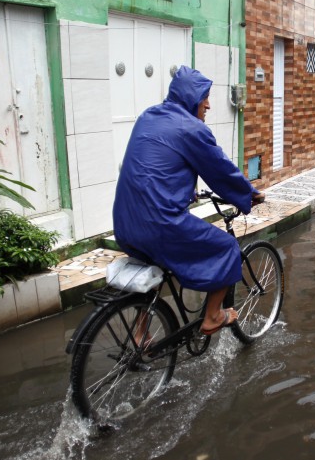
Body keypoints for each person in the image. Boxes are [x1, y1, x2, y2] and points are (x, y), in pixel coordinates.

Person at [113, 65, 264, 337]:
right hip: (158, 225)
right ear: (191, 97)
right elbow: (219, 169)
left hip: (124, 224)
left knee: (155, 265)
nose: (208, 104)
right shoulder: (191, 128)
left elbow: (158, 169)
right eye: (205, 96)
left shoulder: (148, 116)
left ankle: (140, 333)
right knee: (227, 247)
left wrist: (186, 192)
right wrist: (248, 194)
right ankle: (213, 316)